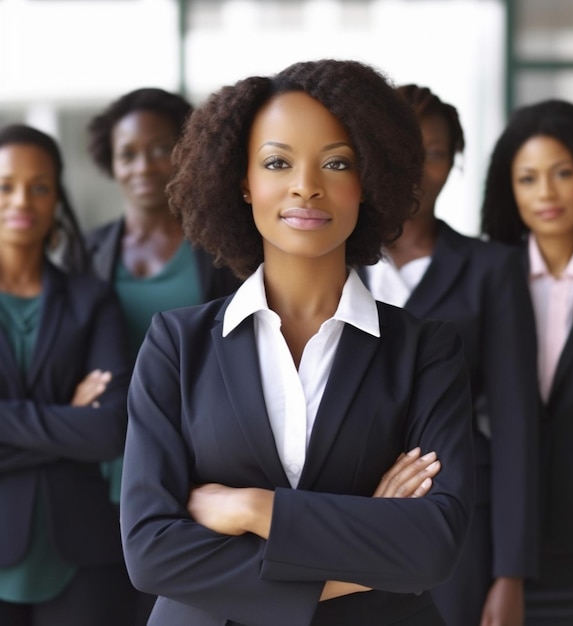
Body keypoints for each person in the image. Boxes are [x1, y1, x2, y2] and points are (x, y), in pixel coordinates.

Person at [120, 59, 475, 626]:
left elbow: (434, 545)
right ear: (243, 182)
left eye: (336, 162)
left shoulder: (424, 350)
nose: (306, 184)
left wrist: (252, 508)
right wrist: (364, 547)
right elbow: (151, 551)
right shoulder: (176, 344)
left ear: (369, 181)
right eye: (277, 162)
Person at [359, 84, 539, 626]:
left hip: (458, 511)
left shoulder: (491, 269)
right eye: (399, 151)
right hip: (347, 502)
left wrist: (510, 574)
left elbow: (515, 425)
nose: (414, 169)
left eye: (433, 153)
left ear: (454, 161)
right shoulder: (333, 263)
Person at [86, 87, 241, 623]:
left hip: (198, 460)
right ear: (112, 162)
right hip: (105, 464)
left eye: (160, 147)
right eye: (129, 153)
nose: (144, 165)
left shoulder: (220, 250)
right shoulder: (88, 253)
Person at [481, 98, 573, 625]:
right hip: (494, 540)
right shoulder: (484, 278)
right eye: (528, 178)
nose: (546, 193)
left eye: (562, 173)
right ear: (508, 188)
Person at [0, 124, 134, 625]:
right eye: (6, 185)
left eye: (40, 185)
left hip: (82, 554)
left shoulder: (90, 299)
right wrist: (65, 420)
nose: (23, 200)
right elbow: (86, 429)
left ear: (57, 196)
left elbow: (110, 428)